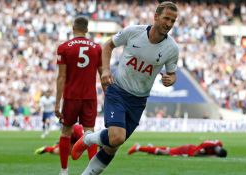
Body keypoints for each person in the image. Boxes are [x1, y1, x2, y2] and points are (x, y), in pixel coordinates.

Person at [72, 1, 179, 174]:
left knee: (112, 146)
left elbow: (172, 73)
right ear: (156, 17)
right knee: (117, 136)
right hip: (118, 90)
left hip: (138, 100)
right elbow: (107, 45)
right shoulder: (134, 32)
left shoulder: (172, 48)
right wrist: (105, 69)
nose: (169, 24)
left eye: (173, 21)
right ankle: (88, 138)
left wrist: (170, 79)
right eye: (166, 18)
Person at [55, 16, 102, 175]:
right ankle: (93, 170)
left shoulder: (64, 47)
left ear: (73, 28)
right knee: (90, 133)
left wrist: (56, 104)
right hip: (89, 96)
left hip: (71, 97)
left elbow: (61, 77)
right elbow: (103, 76)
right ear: (87, 30)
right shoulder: (97, 48)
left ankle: (64, 171)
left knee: (66, 132)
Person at [127, 140, 227, 158]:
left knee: (169, 149)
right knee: (164, 153)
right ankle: (138, 148)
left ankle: (150, 148)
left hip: (189, 147)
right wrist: (210, 156)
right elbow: (197, 154)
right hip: (187, 150)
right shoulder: (207, 148)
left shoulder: (218, 143)